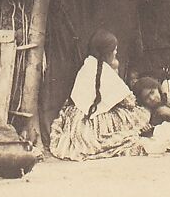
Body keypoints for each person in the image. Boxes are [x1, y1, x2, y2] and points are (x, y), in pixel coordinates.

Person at [49, 30, 153, 161]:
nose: (116, 53)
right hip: (91, 122)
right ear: (106, 52)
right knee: (134, 113)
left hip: (76, 121)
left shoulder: (87, 65)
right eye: (114, 50)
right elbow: (129, 101)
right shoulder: (103, 70)